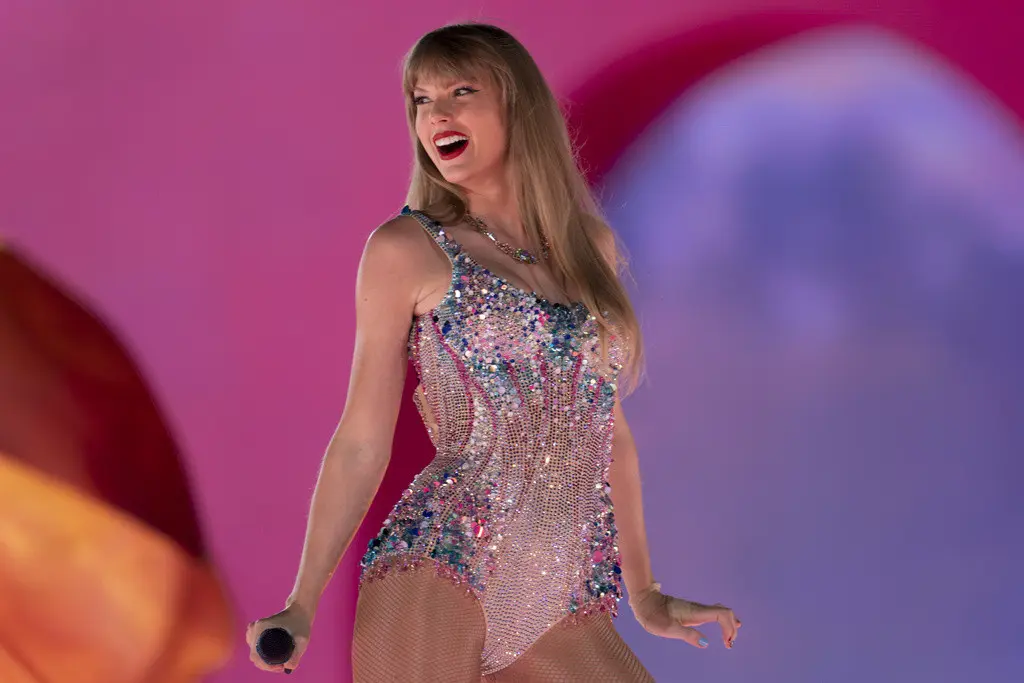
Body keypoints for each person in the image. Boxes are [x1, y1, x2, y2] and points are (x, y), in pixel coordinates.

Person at [245, 22, 741, 682]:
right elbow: (362, 439)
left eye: (460, 91)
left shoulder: (588, 250)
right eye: (421, 100)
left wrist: (645, 591)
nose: (437, 115)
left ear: (517, 105)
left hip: (561, 595)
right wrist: (302, 600)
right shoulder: (405, 250)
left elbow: (608, 435)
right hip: (442, 564)